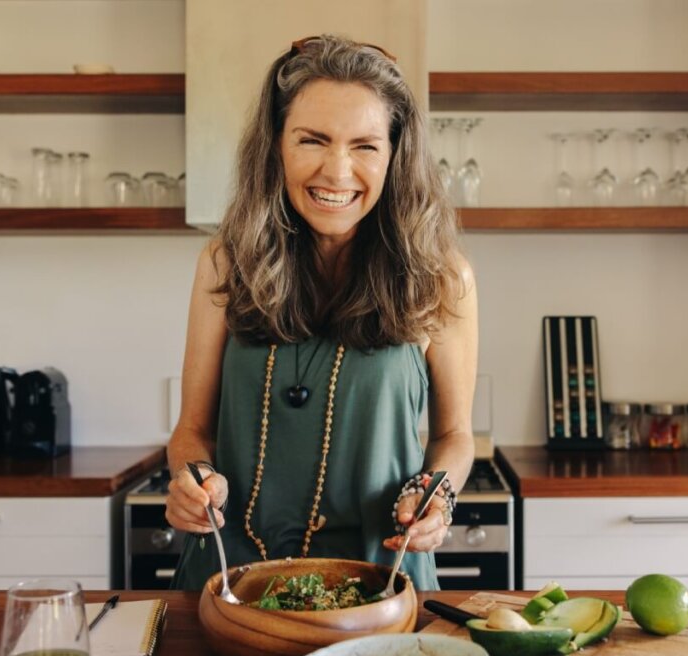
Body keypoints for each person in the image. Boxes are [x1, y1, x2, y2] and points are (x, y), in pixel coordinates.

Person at [164, 34, 477, 591]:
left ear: (394, 157)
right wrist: (191, 479)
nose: (337, 171)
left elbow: (454, 435)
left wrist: (439, 492)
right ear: (277, 145)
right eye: (313, 140)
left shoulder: (441, 275)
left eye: (365, 145)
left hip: (381, 578)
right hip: (232, 579)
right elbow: (191, 431)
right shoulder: (225, 261)